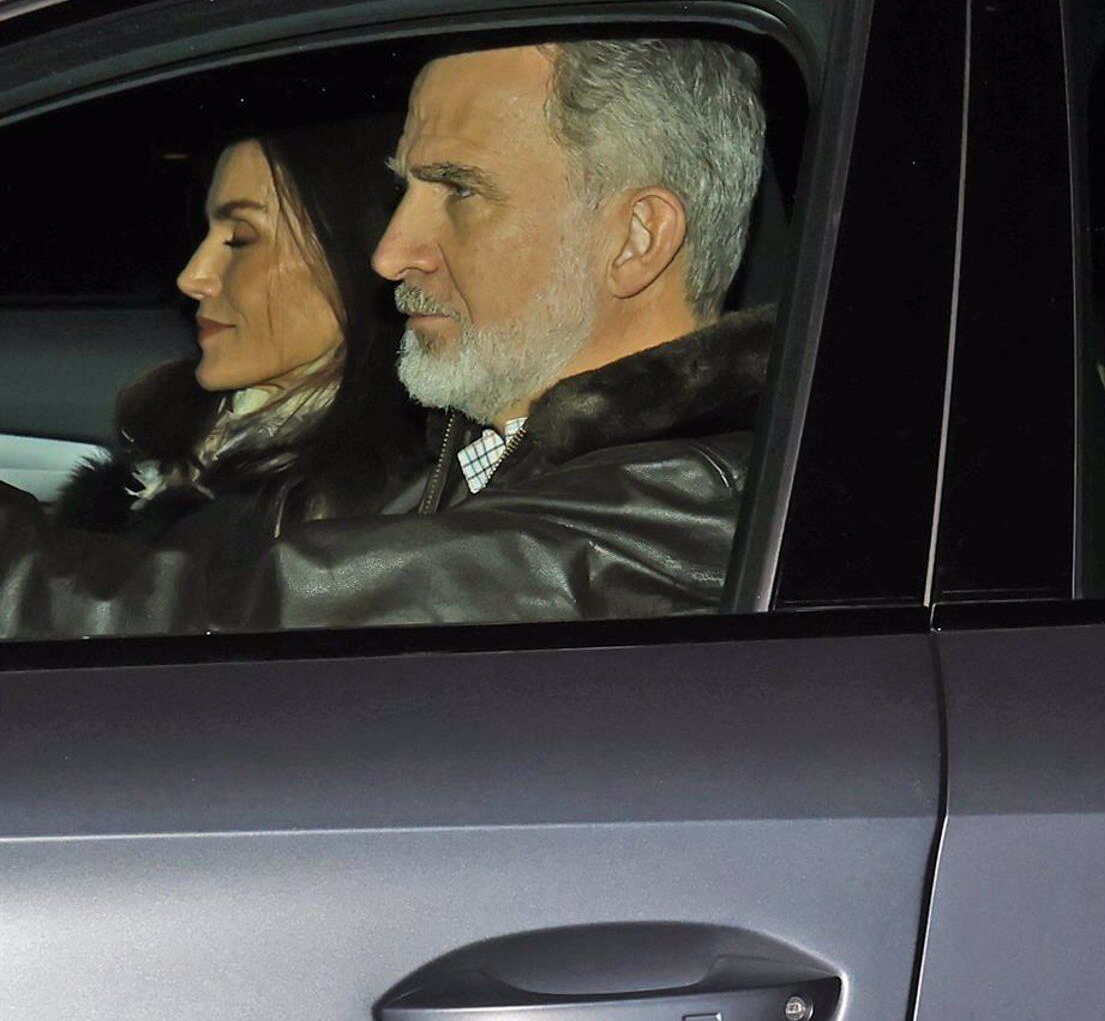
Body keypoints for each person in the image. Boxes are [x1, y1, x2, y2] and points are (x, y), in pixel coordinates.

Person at [0, 35, 773, 637]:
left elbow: (229, 619)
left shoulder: (694, 510)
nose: (388, 252)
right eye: (407, 189)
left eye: (460, 189)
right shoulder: (478, 459)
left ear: (637, 237)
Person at [52, 120, 424, 543]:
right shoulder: (181, 440)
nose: (193, 277)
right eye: (206, 234)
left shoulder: (361, 516)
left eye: (240, 239)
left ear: (356, 261)